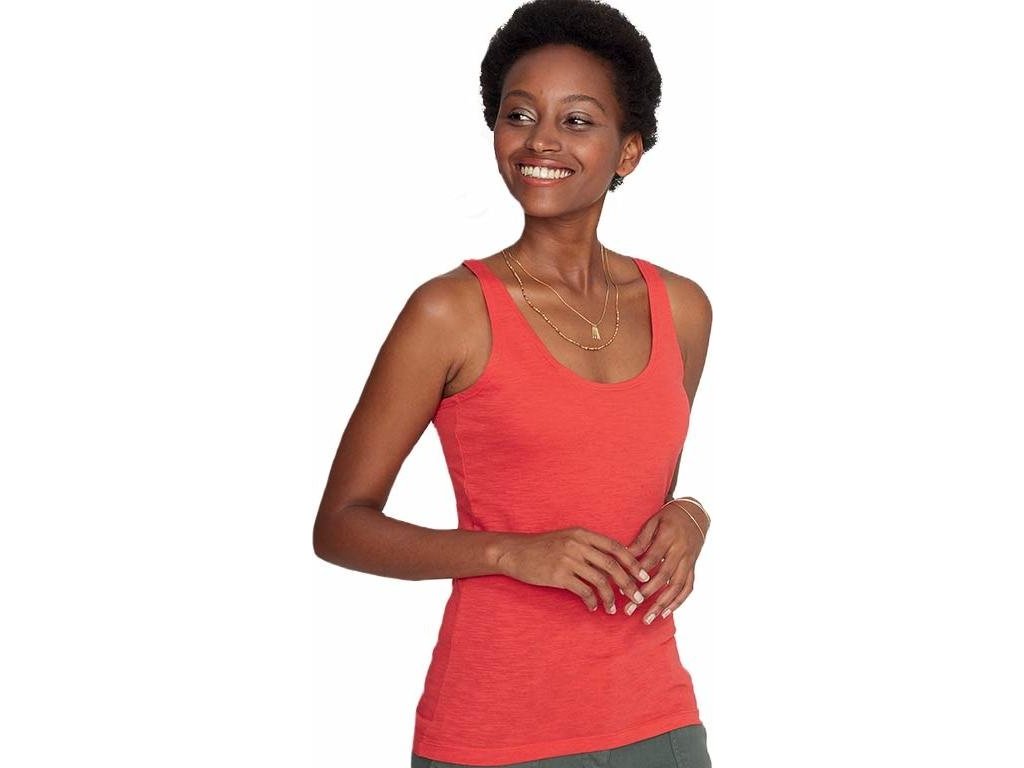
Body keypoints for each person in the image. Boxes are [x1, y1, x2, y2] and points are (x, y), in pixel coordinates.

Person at [312, 0, 713, 765]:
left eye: (577, 120)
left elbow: (631, 491)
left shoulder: (683, 309)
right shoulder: (449, 313)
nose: (540, 141)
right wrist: (508, 553)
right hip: (495, 732)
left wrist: (691, 516)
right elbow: (340, 525)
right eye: (518, 114)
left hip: (659, 721)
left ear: (628, 151)